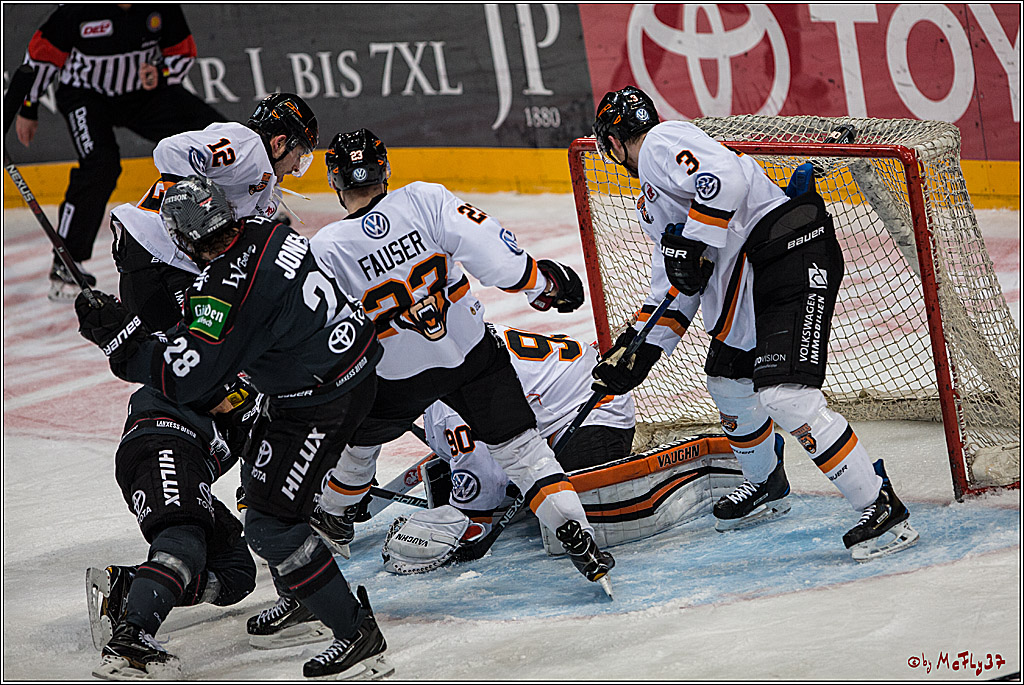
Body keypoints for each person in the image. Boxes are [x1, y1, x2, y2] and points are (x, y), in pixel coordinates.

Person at [75, 175, 392, 680]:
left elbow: (187, 376)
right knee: (268, 504)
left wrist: (120, 340)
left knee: (270, 526)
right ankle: (312, 601)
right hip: (351, 371)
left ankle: (357, 635)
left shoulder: (219, 290)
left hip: (318, 401)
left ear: (182, 239)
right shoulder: (275, 232)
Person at [589, 86, 919, 562]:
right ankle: (766, 482)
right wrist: (639, 350)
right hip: (756, 273)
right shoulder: (652, 198)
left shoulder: (661, 143)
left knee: (784, 394)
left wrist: (695, 242)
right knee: (728, 381)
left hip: (792, 250)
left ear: (612, 143)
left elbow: (723, 177)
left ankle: (880, 504)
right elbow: (676, 285)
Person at [307, 129, 615, 593]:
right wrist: (541, 283)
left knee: (357, 446)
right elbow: (493, 251)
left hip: (396, 379)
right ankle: (578, 534)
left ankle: (334, 519)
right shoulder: (424, 200)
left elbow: (323, 332)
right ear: (385, 169)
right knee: (524, 452)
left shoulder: (327, 247)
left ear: (334, 179)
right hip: (472, 358)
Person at [83, 93, 320, 680]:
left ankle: (129, 592)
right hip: (157, 256)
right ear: (284, 140)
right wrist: (201, 206)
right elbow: (168, 151)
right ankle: (133, 637)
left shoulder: (264, 185)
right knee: (193, 357)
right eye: (301, 154)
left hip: (179, 276)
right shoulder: (241, 145)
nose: (297, 168)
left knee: (234, 576)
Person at [382, 323, 637, 574]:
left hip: (595, 412)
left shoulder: (449, 401)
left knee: (563, 501)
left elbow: (483, 493)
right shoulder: (448, 336)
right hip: (567, 385)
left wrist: (467, 524)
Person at [12, 4, 226, 300]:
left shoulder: (161, 7)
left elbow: (182, 51)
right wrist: (27, 107)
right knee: (99, 165)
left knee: (213, 135)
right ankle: (67, 259)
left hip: (143, 94)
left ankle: (246, 211)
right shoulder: (77, 11)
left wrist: (160, 71)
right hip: (86, 95)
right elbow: (40, 56)